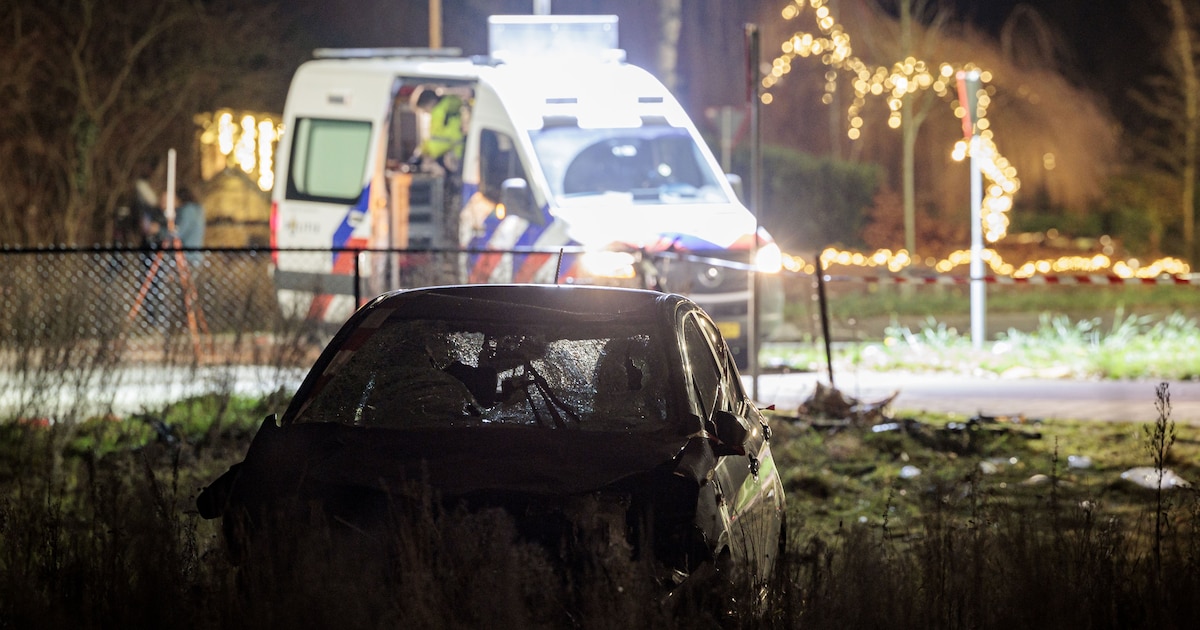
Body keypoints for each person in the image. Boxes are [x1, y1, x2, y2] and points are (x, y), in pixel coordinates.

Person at [411, 89, 465, 173]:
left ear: (430, 102)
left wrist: (454, 156)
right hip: (445, 159)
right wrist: (420, 152)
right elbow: (433, 138)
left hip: (452, 160)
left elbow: (455, 137)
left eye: (424, 109)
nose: (426, 112)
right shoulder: (438, 112)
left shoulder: (444, 112)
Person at [171, 186, 206, 269]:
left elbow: (180, 232)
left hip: (187, 257)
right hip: (195, 255)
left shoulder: (188, 210)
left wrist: (163, 232)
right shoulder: (199, 210)